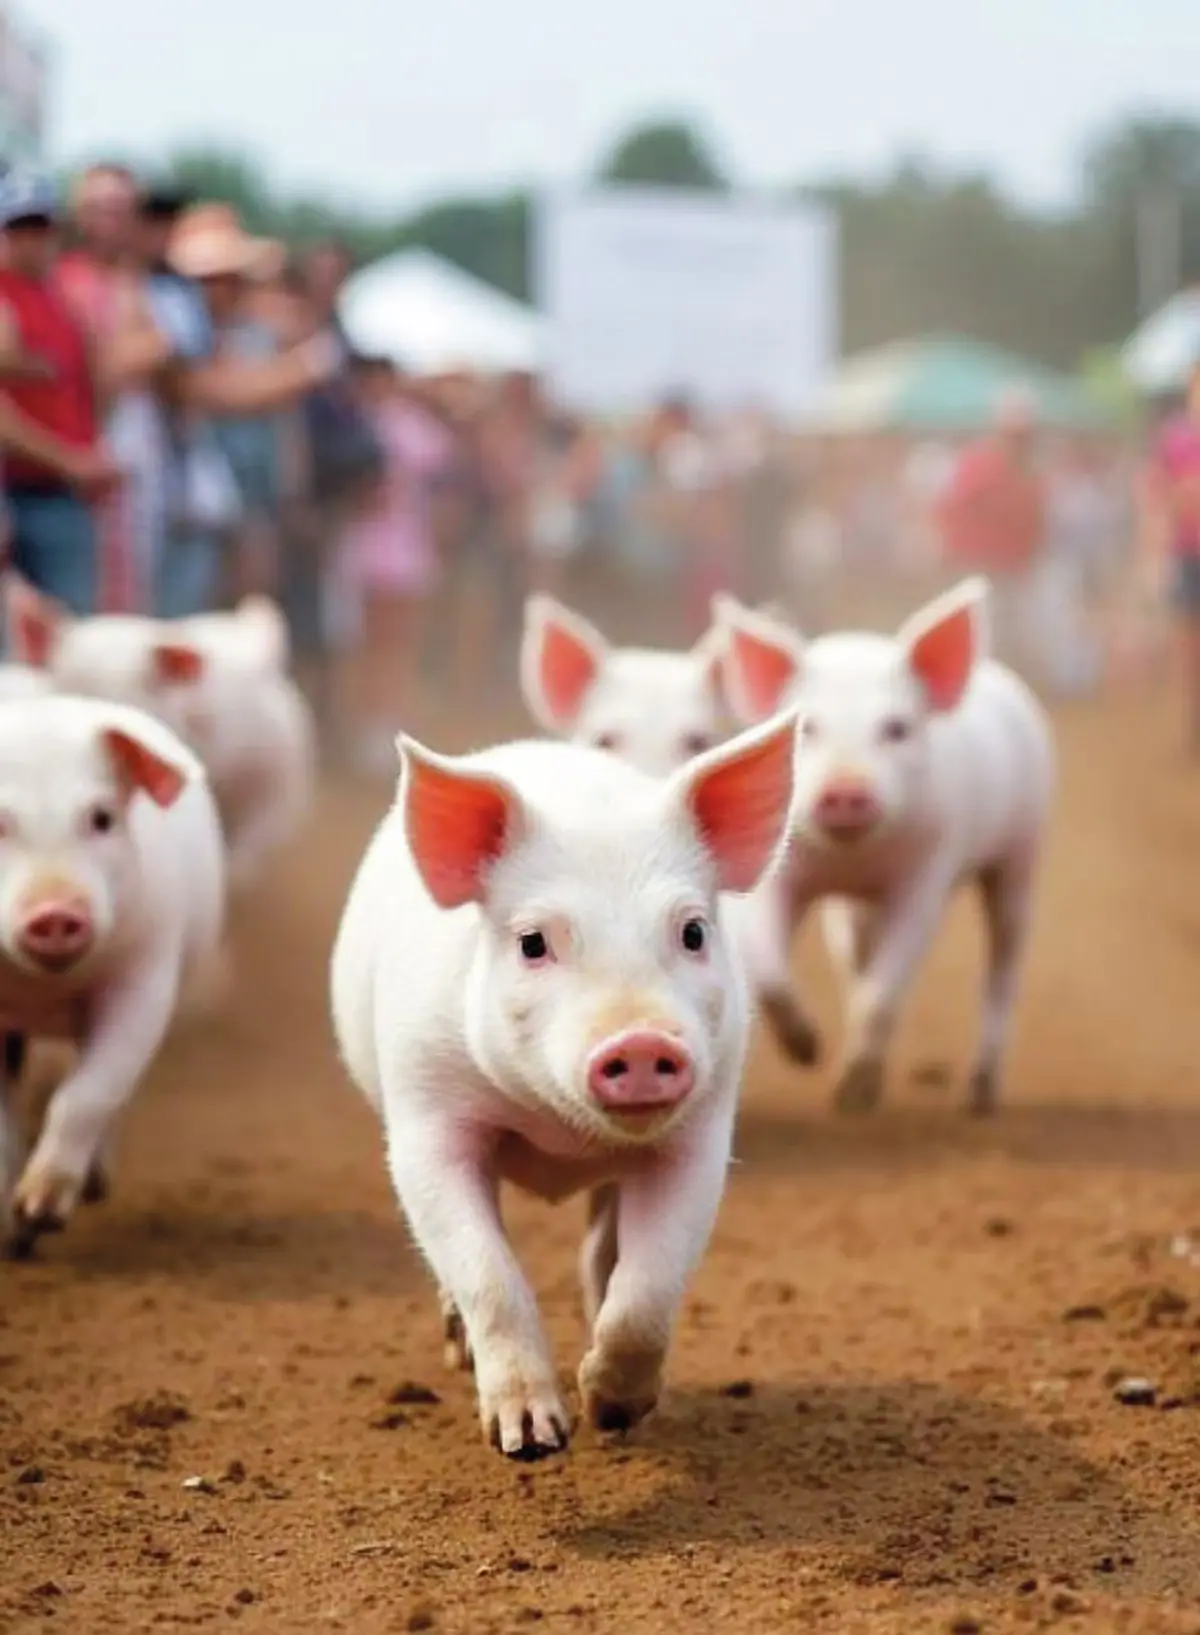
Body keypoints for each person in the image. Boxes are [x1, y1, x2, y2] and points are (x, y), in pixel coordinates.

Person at [0, 171, 116, 611]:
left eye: (40, 227)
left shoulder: (60, 297)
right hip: (22, 489)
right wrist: (71, 462)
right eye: (20, 228)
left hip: (63, 493)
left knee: (70, 637)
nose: (32, 240)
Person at [333, 354, 454, 774]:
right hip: (382, 547)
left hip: (390, 546)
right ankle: (376, 727)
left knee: (387, 645)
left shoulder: (372, 422)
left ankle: (382, 726)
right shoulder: (386, 423)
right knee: (380, 645)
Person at [936, 388, 1047, 675]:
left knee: (1010, 635)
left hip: (1013, 567)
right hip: (981, 565)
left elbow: (1036, 520)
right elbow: (955, 508)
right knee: (984, 632)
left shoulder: (1029, 471)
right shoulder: (980, 465)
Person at [1141, 356, 1200, 751]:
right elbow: (1155, 497)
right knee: (1186, 644)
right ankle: (1190, 726)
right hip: (1187, 553)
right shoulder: (1175, 439)